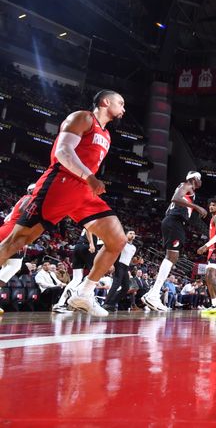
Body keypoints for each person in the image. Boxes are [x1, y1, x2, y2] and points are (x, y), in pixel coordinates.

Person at [0, 90, 128, 317]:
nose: (123, 108)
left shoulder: (107, 135)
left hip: (84, 193)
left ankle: (84, 294)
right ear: (105, 102)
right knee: (18, 240)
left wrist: (88, 180)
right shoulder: (83, 118)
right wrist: (89, 176)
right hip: (61, 184)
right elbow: (62, 151)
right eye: (120, 103)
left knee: (117, 239)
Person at [141, 172, 207, 311]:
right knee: (171, 257)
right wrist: (196, 207)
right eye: (200, 179)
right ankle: (153, 295)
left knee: (172, 257)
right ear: (195, 179)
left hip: (174, 222)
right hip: (174, 222)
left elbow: (169, 209)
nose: (201, 182)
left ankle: (152, 293)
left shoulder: (187, 190)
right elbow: (175, 198)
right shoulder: (187, 185)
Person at [0, 183, 36, 303]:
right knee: (14, 265)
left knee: (6, 266)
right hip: (13, 233)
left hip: (5, 229)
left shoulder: (22, 198)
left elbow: (6, 218)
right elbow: (22, 210)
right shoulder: (31, 198)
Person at [52, 227, 100, 313]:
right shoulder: (99, 219)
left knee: (76, 278)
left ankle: (60, 304)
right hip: (87, 247)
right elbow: (89, 229)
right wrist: (91, 243)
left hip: (78, 247)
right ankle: (77, 292)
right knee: (94, 275)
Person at [196, 199, 216, 314]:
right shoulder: (212, 218)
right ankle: (215, 304)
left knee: (210, 274)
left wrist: (205, 246)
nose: (210, 206)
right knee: (208, 276)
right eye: (210, 205)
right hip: (212, 248)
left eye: (214, 205)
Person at [103, 230, 137, 312]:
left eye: (133, 234)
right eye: (130, 233)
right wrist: (111, 264)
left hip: (126, 267)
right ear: (126, 235)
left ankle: (112, 303)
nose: (132, 235)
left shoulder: (134, 248)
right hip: (118, 265)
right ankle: (106, 303)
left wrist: (133, 264)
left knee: (126, 287)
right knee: (116, 284)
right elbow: (114, 253)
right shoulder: (121, 243)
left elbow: (128, 259)